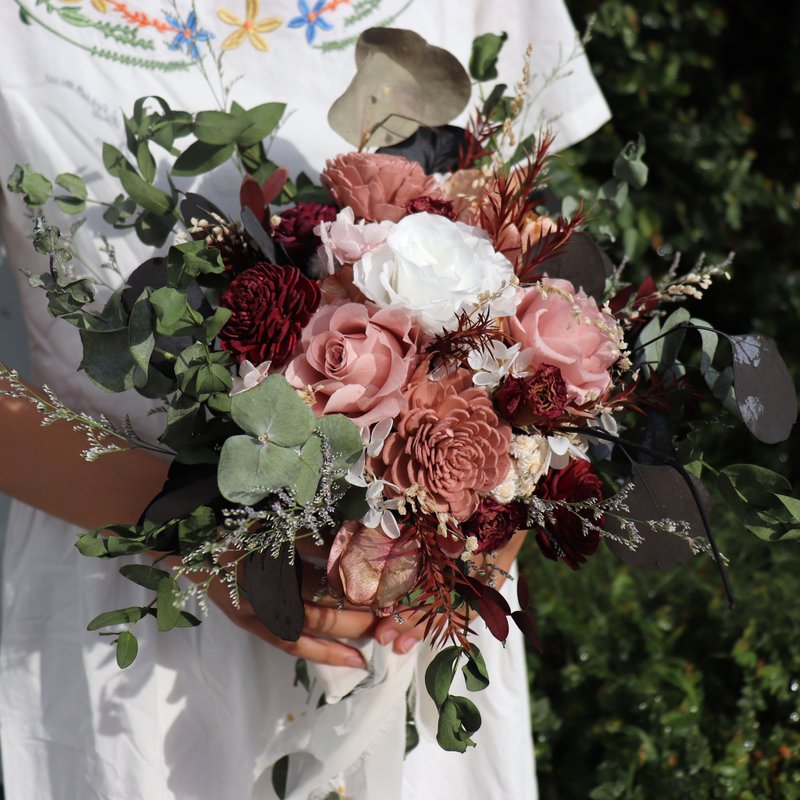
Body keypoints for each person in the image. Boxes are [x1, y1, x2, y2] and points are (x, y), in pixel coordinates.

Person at [0, 2, 610, 798]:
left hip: (415, 634)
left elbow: (516, 244)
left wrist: (490, 511)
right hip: (139, 629)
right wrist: (200, 537)